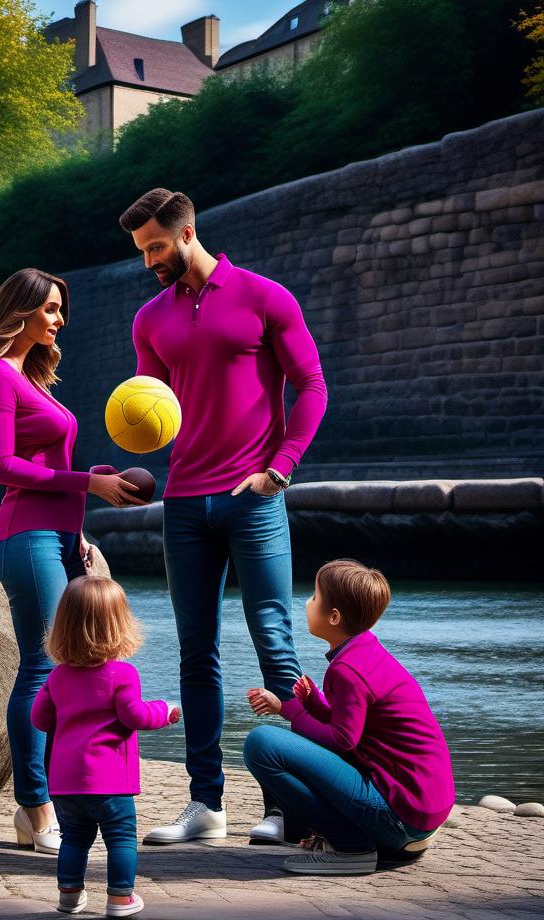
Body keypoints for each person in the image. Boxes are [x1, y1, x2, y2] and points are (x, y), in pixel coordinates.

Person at [118, 189, 328, 845]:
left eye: (156, 246)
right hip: (183, 503)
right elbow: (150, 409)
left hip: (256, 498)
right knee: (195, 654)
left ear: (186, 234)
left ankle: (287, 807)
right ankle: (205, 806)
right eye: (141, 251)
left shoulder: (266, 297)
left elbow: (313, 384)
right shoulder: (149, 320)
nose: (149, 260)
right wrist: (133, 456)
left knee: (275, 644)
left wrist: (283, 465)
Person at [0, 268, 146, 854]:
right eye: (50, 309)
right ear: (21, 311)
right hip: (25, 536)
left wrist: (83, 523)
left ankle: (55, 798)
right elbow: (3, 469)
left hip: (60, 536)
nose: (59, 320)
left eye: (61, 310)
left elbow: (51, 470)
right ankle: (35, 810)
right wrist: (86, 485)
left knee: (72, 669)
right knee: (41, 669)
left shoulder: (32, 380)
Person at [244, 559, 455, 875]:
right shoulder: (366, 652)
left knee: (262, 743)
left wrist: (291, 710)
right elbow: (356, 727)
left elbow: (343, 740)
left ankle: (351, 847)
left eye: (314, 597)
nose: (307, 603)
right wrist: (313, 704)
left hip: (402, 820)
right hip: (420, 816)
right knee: (290, 740)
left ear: (333, 617)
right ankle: (335, 836)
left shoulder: (347, 670)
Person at [31, 576, 181, 916]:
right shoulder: (123, 674)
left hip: (66, 782)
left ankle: (69, 895)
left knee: (74, 839)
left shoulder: (57, 676)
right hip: (110, 780)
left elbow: (40, 719)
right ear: (120, 625)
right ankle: (120, 898)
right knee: (121, 839)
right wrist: (165, 710)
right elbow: (135, 716)